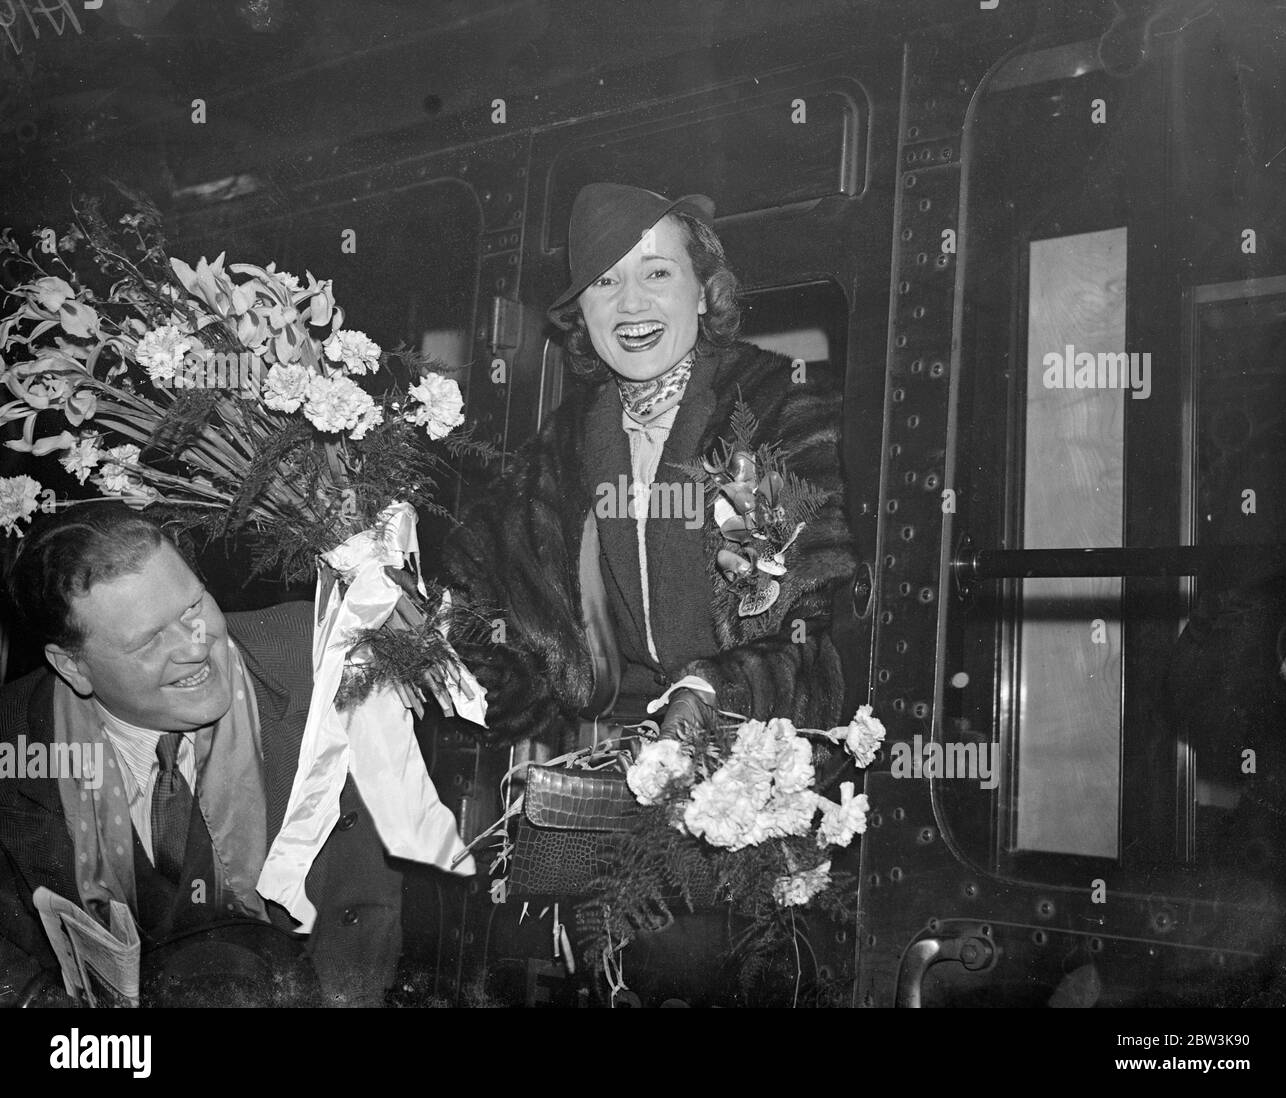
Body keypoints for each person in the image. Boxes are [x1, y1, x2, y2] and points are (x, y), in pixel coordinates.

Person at [441, 181, 861, 746]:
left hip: (760, 753)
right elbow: (517, 651)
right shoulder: (561, 447)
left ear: (705, 292)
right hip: (609, 765)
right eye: (605, 282)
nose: (631, 303)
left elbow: (819, 624)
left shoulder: (782, 409)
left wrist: (710, 695)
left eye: (657, 273)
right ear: (582, 313)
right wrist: (432, 643)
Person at [0, 503, 402, 1006]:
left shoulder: (323, 654)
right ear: (72, 667)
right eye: (148, 640)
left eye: (193, 606)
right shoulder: (12, 737)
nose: (195, 647)